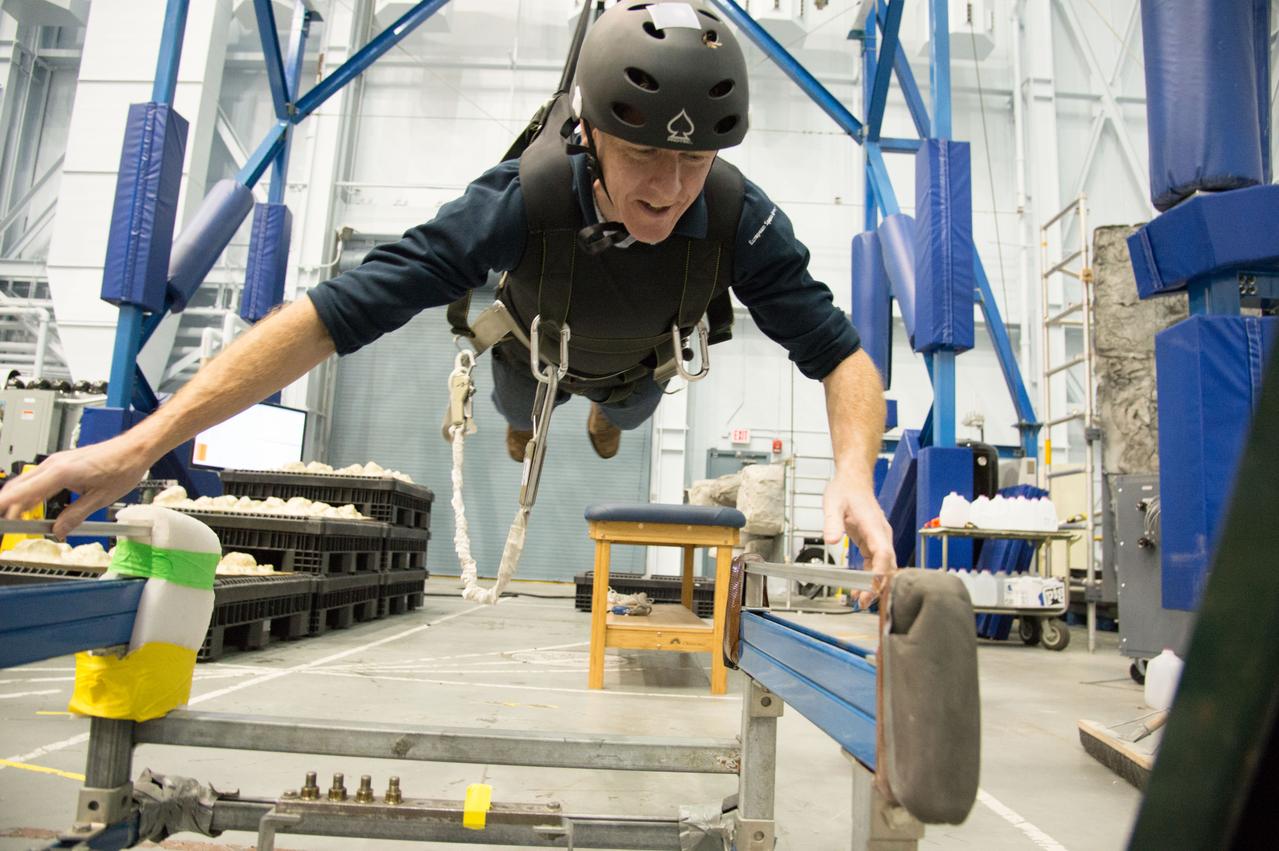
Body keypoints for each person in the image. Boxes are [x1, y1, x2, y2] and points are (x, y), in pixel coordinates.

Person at [0, 1, 896, 598]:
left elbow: (841, 355)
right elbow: (337, 311)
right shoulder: (522, 198)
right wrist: (144, 440)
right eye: (641, 159)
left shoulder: (737, 217)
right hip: (533, 348)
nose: (667, 190)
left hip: (639, 363)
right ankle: (529, 425)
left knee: (625, 402)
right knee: (517, 400)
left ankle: (603, 421)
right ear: (589, 132)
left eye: (692, 161)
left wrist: (853, 469)